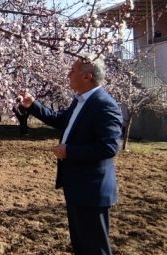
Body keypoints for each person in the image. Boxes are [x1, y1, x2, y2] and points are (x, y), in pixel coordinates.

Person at [19, 55, 123, 255]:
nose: (68, 75)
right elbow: (61, 120)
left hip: (92, 190)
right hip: (77, 185)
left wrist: (69, 151)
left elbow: (109, 147)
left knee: (95, 248)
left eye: (73, 71)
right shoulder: (81, 101)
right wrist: (33, 105)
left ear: (87, 77)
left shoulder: (104, 105)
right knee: (81, 246)